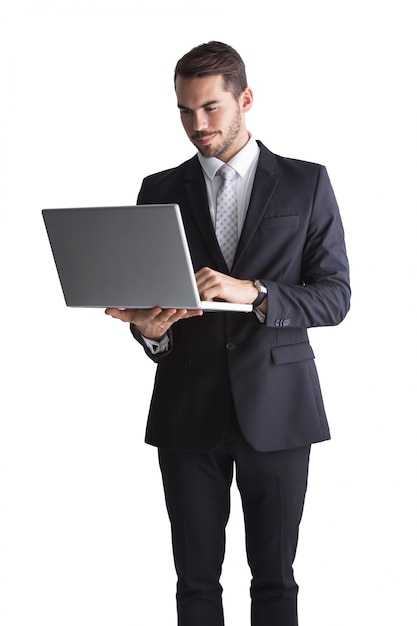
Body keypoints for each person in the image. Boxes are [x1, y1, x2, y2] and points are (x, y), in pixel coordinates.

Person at [105, 41, 350, 626]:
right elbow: (153, 312)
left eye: (211, 108)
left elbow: (335, 297)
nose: (198, 125)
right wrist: (150, 330)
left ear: (245, 99)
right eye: (186, 111)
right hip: (188, 410)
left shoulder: (305, 183)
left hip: (280, 408)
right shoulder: (158, 187)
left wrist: (257, 291)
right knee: (194, 584)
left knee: (274, 580)